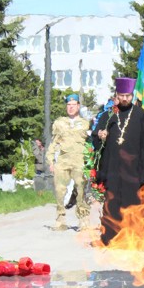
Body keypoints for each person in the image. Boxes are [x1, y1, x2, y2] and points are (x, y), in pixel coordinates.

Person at [94, 77, 144, 245]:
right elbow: (95, 137)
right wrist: (100, 135)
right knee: (113, 203)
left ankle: (135, 238)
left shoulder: (139, 114)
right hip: (113, 168)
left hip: (134, 170)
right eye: (121, 95)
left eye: (128, 95)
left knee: (134, 205)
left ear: (132, 95)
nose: (125, 99)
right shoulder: (108, 115)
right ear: (116, 95)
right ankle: (111, 238)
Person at [46, 94, 90, 231]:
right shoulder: (59, 123)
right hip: (63, 160)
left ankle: (83, 220)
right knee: (59, 190)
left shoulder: (85, 123)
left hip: (79, 160)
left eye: (73, 105)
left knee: (81, 190)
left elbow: (89, 143)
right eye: (68, 105)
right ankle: (60, 219)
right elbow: (54, 142)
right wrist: (51, 160)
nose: (70, 108)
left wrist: (90, 162)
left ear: (78, 106)